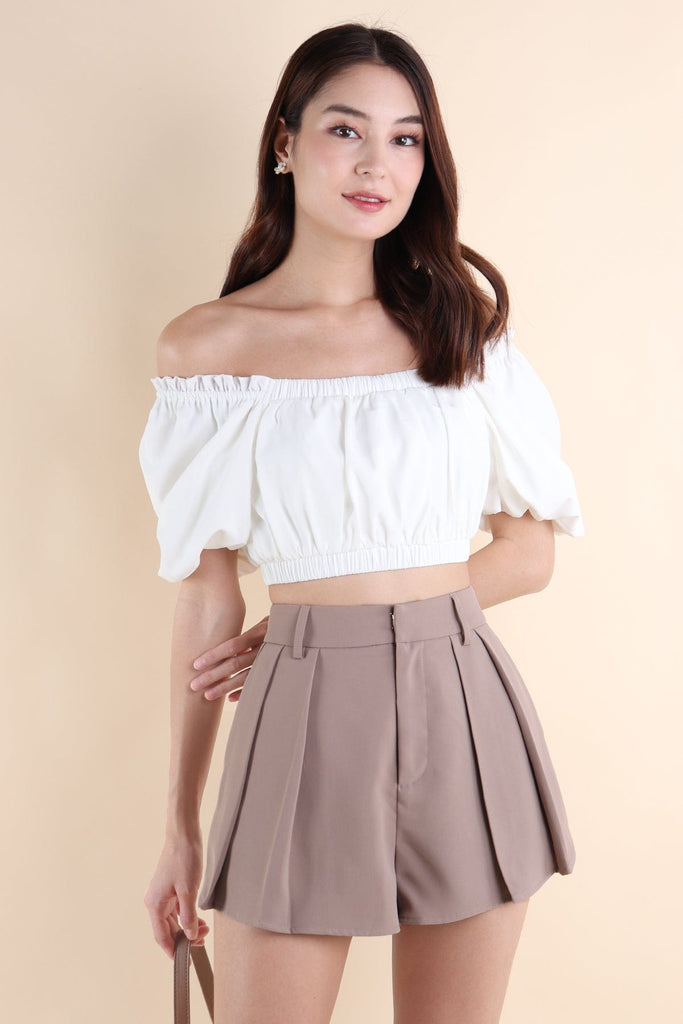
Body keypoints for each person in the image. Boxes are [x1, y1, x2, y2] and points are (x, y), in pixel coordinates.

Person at [139, 21, 584, 1024]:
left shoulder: (462, 329)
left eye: (405, 138)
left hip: (461, 703)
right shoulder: (208, 350)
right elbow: (205, 595)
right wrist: (179, 824)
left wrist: (350, 620)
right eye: (345, 130)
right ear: (285, 143)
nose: (376, 163)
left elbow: (527, 553)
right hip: (299, 711)